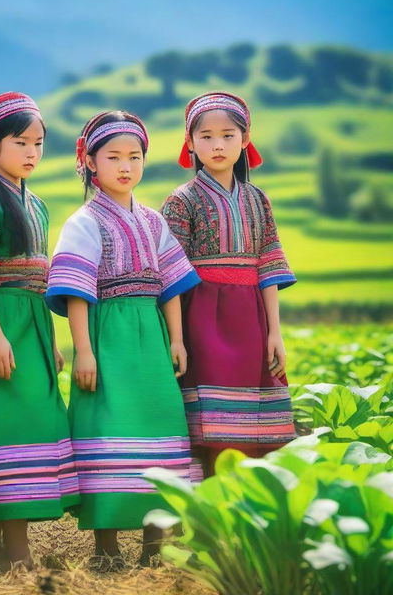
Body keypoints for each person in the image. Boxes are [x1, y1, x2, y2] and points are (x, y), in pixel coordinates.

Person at [46, 110, 201, 569]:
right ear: (90, 163)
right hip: (107, 337)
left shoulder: (154, 221)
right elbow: (76, 294)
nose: (125, 166)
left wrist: (176, 339)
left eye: (134, 156)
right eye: (113, 156)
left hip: (150, 340)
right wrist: (84, 352)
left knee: (162, 424)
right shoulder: (84, 221)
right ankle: (107, 547)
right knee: (106, 429)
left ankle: (155, 542)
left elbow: (171, 284)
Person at [0, 92, 79, 569]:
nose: (32, 152)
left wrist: (52, 341)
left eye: (39, 143)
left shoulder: (38, 204)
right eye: (21, 142)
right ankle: (18, 556)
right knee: (9, 428)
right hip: (2, 322)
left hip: (33, 324)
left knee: (29, 423)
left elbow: (40, 278)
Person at [161, 91, 297, 478]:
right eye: (205, 136)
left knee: (255, 423)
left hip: (251, 319)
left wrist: (275, 333)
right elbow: (170, 275)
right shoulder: (180, 201)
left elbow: (268, 269)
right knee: (210, 421)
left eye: (227, 135)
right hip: (201, 318)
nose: (217, 144)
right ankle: (206, 513)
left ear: (245, 138)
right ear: (189, 143)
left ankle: (245, 513)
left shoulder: (258, 200)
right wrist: (177, 336)